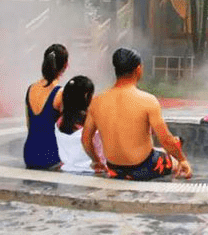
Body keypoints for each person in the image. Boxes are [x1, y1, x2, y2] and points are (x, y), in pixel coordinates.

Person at [81, 47, 192, 180]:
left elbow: (86, 139)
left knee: (161, 151)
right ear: (138, 69)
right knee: (174, 161)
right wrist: (182, 159)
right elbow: (165, 139)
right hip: (144, 167)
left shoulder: (97, 101)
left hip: (114, 168)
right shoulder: (148, 100)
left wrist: (97, 161)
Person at [24, 43, 68, 169]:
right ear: (65, 65)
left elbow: (29, 124)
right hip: (51, 156)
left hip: (29, 154)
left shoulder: (30, 88)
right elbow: (67, 130)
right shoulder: (61, 93)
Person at [55, 75, 105, 173]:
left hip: (67, 168)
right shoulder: (90, 122)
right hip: (92, 170)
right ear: (86, 96)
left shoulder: (60, 121)